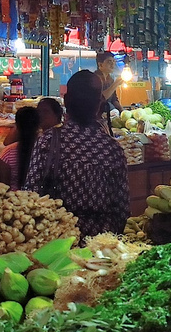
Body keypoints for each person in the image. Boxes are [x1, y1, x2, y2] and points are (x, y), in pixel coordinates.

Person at [27, 70, 130, 238]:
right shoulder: (113, 149)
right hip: (100, 248)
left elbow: (31, 195)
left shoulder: (48, 141)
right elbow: (122, 210)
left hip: (55, 242)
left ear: (66, 101)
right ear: (100, 105)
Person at [0, 103, 42, 189]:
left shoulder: (6, 154)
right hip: (42, 200)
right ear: (39, 125)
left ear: (16, 126)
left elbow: (3, 188)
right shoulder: (46, 150)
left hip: (13, 200)